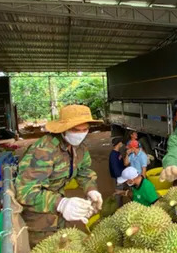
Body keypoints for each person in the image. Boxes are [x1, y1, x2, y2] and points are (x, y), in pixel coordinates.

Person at [15, 105, 104, 245]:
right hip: (39, 219)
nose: (80, 134)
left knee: (63, 249)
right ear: (64, 129)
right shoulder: (44, 150)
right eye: (75, 130)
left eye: (84, 129)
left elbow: (83, 170)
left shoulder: (80, 147)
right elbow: (25, 192)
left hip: (60, 214)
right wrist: (61, 203)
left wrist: (91, 189)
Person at [108, 136, 125, 206]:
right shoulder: (113, 155)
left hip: (121, 176)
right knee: (118, 193)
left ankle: (120, 206)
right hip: (119, 177)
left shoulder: (117, 153)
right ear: (119, 143)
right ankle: (117, 208)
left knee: (120, 193)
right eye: (121, 142)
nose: (122, 144)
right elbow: (115, 169)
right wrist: (118, 180)